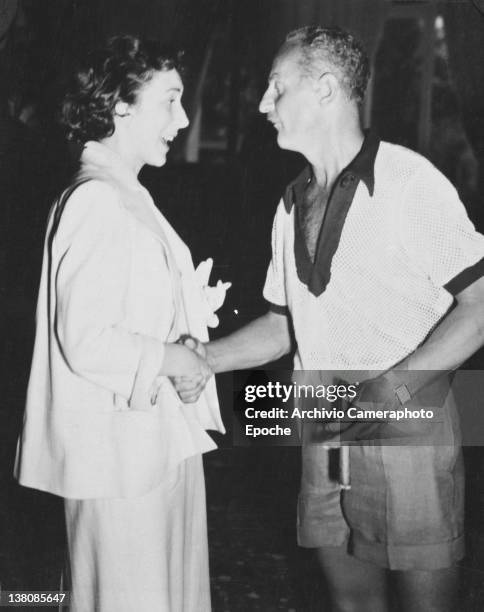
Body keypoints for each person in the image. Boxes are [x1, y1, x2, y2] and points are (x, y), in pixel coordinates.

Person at [175, 26, 484, 612]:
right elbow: (285, 324)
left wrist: (393, 386)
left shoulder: (410, 183)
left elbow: (480, 304)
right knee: (351, 604)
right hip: (322, 429)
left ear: (324, 90)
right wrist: (205, 358)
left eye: (276, 87)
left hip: (406, 429)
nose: (263, 104)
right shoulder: (289, 203)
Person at [14, 35, 229, 612]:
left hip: (152, 446)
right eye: (171, 100)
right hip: (120, 461)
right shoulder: (96, 200)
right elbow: (84, 338)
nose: (183, 119)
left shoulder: (126, 194)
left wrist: (182, 346)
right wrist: (174, 359)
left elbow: (137, 313)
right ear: (120, 106)